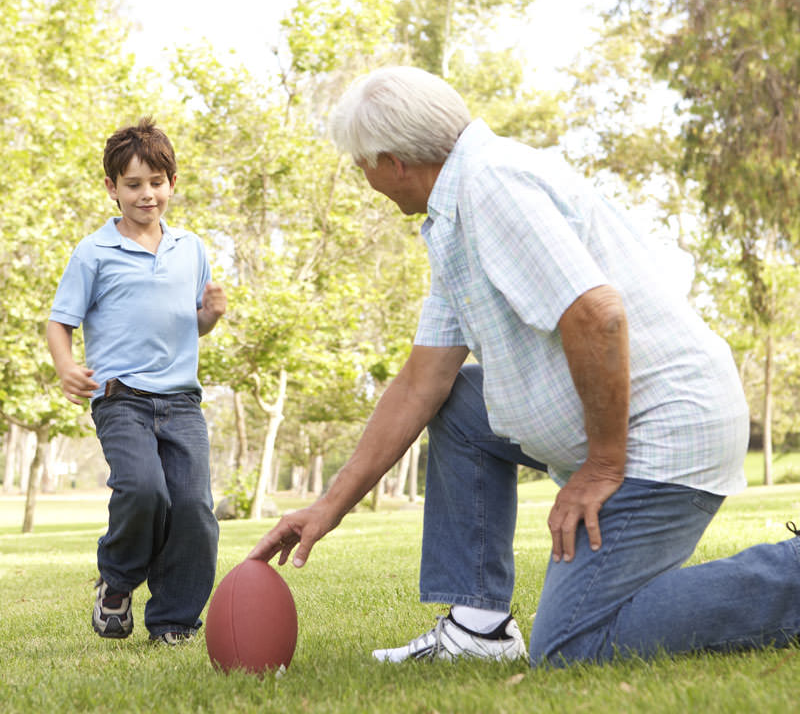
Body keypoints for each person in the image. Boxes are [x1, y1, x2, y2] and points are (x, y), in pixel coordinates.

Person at [249, 66, 800, 666]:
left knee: (571, 648)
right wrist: (328, 506)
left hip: (663, 442)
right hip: (629, 432)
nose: (363, 177)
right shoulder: (456, 212)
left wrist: (601, 465)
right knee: (458, 403)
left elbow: (598, 315)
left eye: (361, 163)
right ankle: (478, 631)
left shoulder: (492, 187)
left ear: (393, 163)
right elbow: (421, 383)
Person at [47, 118, 226, 645]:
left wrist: (210, 317)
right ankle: (119, 582)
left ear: (172, 182)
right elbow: (60, 321)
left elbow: (189, 322)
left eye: (156, 182)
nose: (147, 194)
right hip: (121, 398)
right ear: (112, 188)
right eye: (133, 184)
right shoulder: (94, 252)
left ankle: (173, 621)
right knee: (145, 490)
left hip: (182, 400)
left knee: (193, 508)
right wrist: (65, 366)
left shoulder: (190, 248)